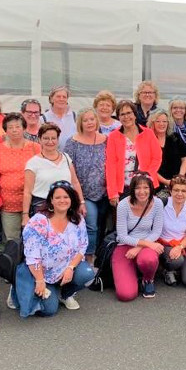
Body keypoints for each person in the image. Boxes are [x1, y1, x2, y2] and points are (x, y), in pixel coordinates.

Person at [13, 180, 96, 317]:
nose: (62, 200)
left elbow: (82, 246)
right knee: (49, 310)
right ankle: (19, 288)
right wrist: (40, 280)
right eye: (57, 197)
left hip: (65, 267)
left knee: (86, 273)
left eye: (66, 197)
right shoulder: (39, 221)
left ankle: (64, 294)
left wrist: (70, 268)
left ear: (72, 199)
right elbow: (33, 255)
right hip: (40, 272)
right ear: (51, 200)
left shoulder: (78, 219)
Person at [112, 173, 165, 301]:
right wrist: (146, 244)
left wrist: (140, 247)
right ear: (132, 189)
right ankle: (131, 274)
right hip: (125, 245)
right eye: (138, 188)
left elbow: (156, 232)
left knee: (148, 260)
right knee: (126, 295)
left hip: (148, 242)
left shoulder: (157, 203)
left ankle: (147, 279)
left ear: (151, 188)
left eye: (146, 187)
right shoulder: (123, 205)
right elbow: (122, 235)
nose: (142, 192)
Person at [64, 108, 108, 263]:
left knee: (102, 227)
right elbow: (69, 169)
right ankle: (88, 259)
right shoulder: (72, 142)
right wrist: (79, 199)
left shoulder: (106, 139)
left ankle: (100, 258)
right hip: (84, 194)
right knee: (92, 226)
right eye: (85, 120)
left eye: (92, 119)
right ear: (80, 123)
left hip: (105, 192)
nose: (89, 123)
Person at [23, 123, 85, 222]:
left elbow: (75, 182)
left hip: (66, 207)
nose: (50, 142)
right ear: (40, 139)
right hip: (42, 207)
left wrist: (81, 202)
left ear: (58, 139)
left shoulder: (66, 158)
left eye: (53, 138)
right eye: (46, 138)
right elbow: (27, 192)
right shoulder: (33, 163)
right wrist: (25, 215)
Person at [105, 101, 162, 205]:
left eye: (129, 113)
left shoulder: (148, 133)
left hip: (145, 187)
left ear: (135, 115)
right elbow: (110, 165)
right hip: (123, 189)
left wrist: (146, 176)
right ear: (118, 117)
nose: (126, 117)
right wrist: (112, 192)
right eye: (122, 114)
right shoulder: (113, 136)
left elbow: (157, 158)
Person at [0, 112, 40, 243]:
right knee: (11, 241)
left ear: (24, 128)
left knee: (34, 239)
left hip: (33, 203)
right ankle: (13, 264)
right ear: (5, 130)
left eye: (18, 126)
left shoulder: (35, 147)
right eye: (10, 127)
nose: (14, 130)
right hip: (9, 204)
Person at [159, 176, 186, 287]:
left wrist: (179, 247)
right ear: (170, 191)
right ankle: (166, 269)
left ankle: (179, 269)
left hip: (184, 244)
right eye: (176, 190)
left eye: (183, 191)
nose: (179, 194)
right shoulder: (161, 205)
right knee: (177, 261)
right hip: (164, 243)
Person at [149, 109, 186, 196]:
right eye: (158, 121)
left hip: (177, 183)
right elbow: (148, 166)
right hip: (156, 184)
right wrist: (166, 181)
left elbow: (185, 158)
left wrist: (180, 176)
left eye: (164, 121)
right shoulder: (148, 140)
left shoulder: (175, 137)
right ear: (152, 123)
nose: (161, 124)